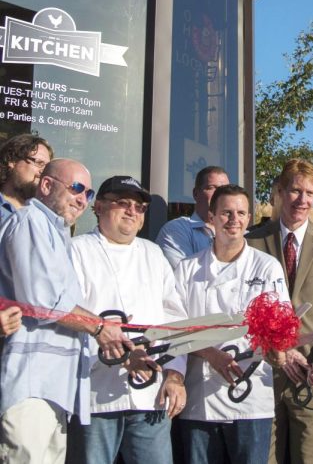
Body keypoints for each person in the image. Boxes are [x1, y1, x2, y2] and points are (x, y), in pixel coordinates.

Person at [0, 158, 128, 464]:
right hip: (31, 387)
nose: (83, 199)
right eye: (76, 188)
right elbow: (43, 301)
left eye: (89, 193)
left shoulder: (56, 232)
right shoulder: (30, 221)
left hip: (56, 389)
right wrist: (99, 327)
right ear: (46, 185)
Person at [67, 175, 187, 464]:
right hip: (95, 394)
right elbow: (66, 313)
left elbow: (176, 321)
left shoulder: (153, 254)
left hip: (150, 399)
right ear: (98, 207)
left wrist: (175, 375)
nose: (132, 211)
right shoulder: (77, 250)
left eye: (140, 206)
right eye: (123, 203)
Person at [174, 183, 289, 464]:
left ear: (249, 218)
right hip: (201, 402)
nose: (233, 220)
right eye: (226, 213)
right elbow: (174, 330)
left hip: (251, 402)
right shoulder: (186, 269)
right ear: (211, 217)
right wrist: (212, 354)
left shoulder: (267, 267)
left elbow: (279, 328)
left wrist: (278, 351)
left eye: (240, 213)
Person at [247, 159, 313, 464]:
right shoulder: (252, 241)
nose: (302, 200)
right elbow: (243, 308)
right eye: (295, 190)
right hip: (262, 374)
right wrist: (280, 349)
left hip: (311, 375)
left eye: (310, 193)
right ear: (279, 192)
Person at [156, 165, 229, 269]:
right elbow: (187, 277)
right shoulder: (176, 230)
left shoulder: (239, 232)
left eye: (225, 189)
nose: (220, 194)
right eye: (212, 188)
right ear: (195, 193)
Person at [0, 132, 53, 221]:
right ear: (12, 160)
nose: (44, 172)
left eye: (47, 167)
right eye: (39, 163)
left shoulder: (43, 218)